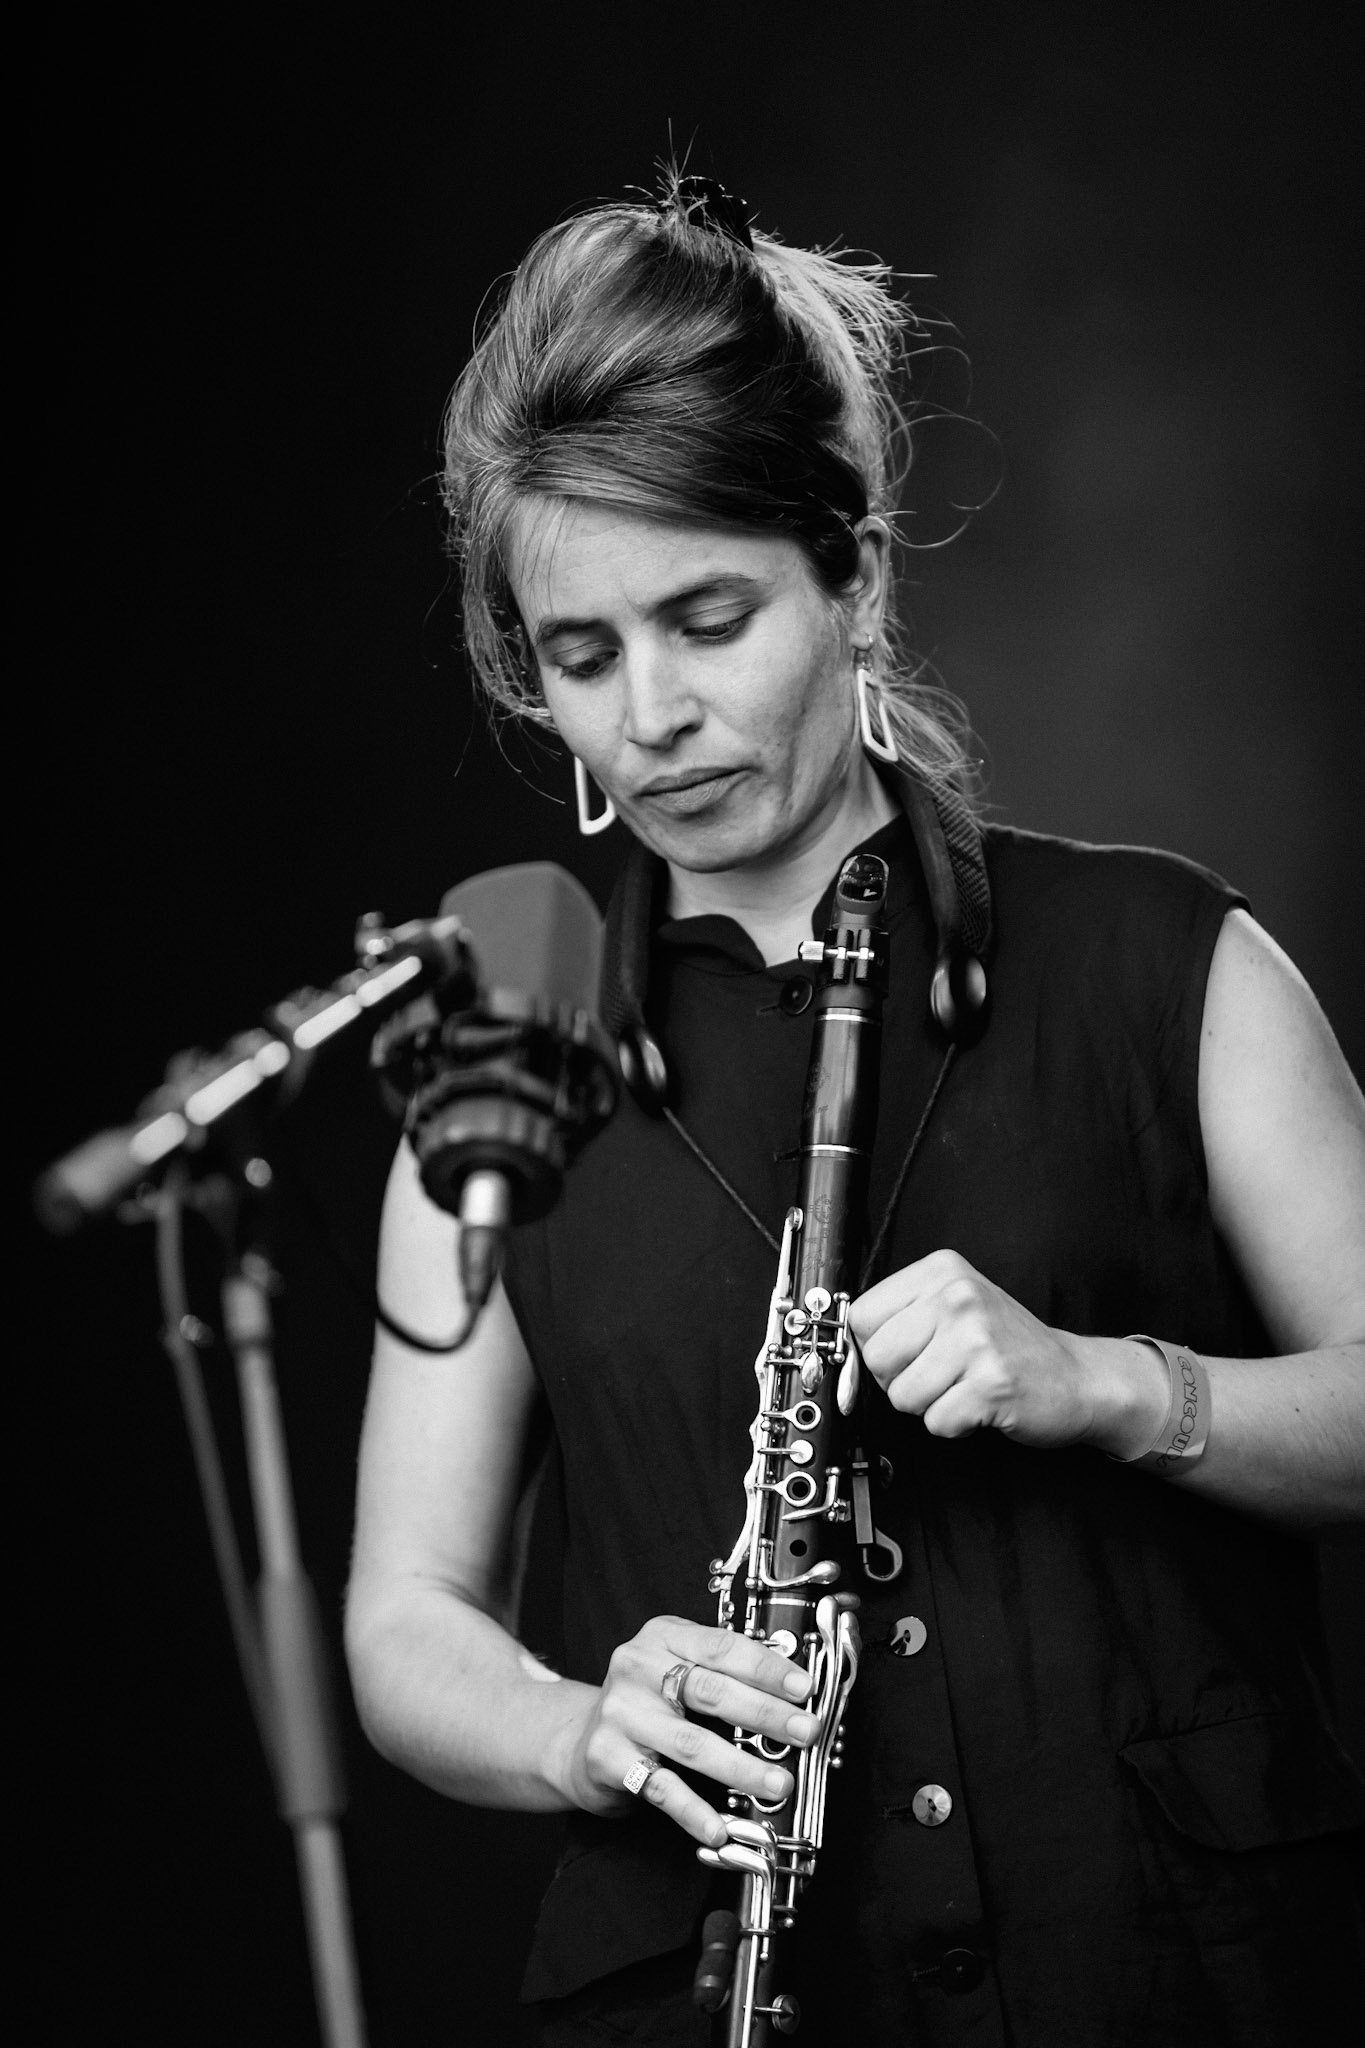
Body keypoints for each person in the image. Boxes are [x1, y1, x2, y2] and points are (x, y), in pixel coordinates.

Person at [343, 173, 1365, 2045]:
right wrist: (581, 1728)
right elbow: (405, 1624)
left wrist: (1110, 1385)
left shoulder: (1168, 961)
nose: (650, 713)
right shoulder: (496, 1070)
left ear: (858, 581)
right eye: (582, 658)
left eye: (708, 617)